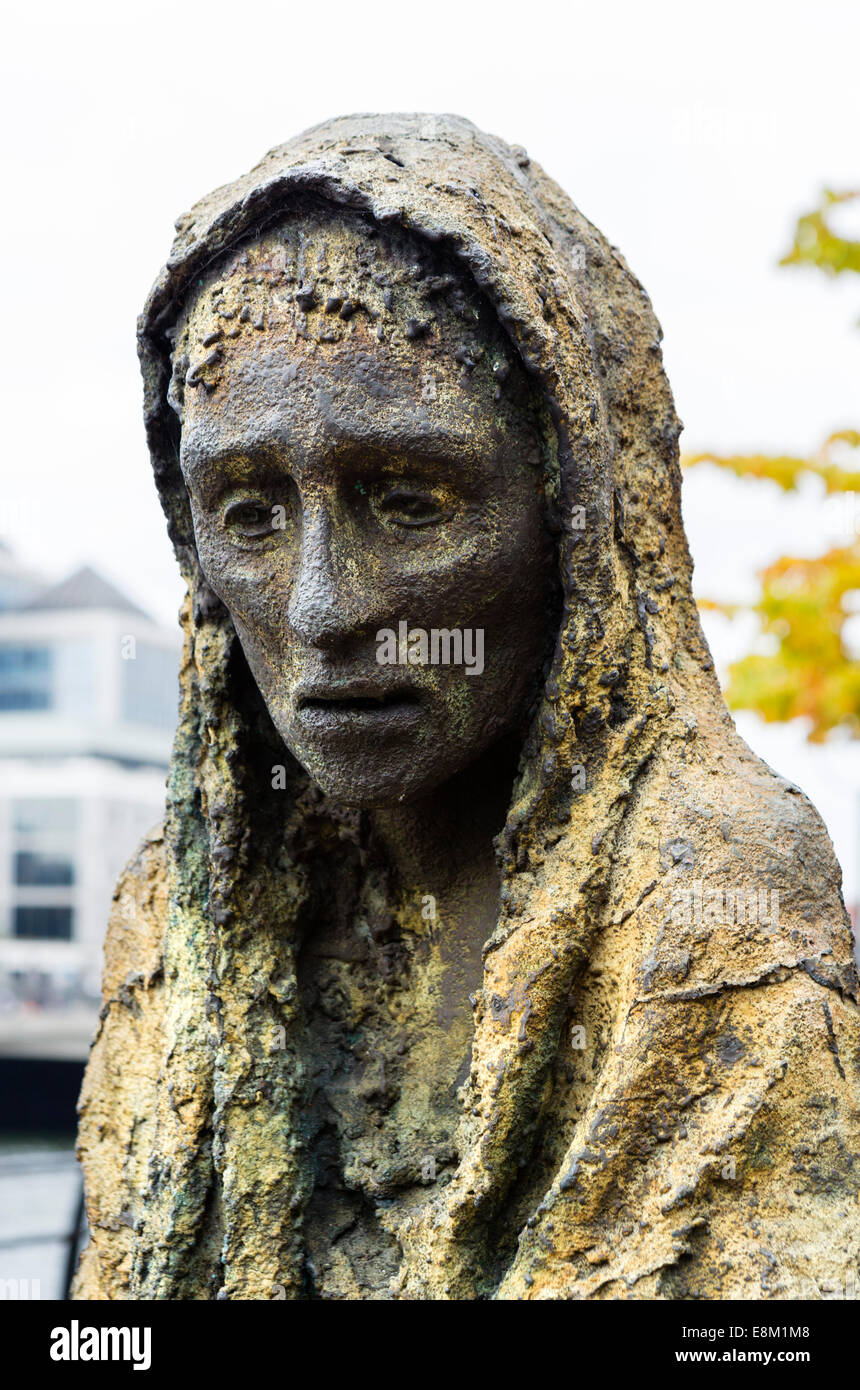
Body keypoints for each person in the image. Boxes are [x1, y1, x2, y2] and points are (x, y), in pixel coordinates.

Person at [73, 113, 860, 1301]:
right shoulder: (177, 908)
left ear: (574, 513)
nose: (324, 609)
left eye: (409, 500)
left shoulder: (712, 895)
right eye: (248, 514)